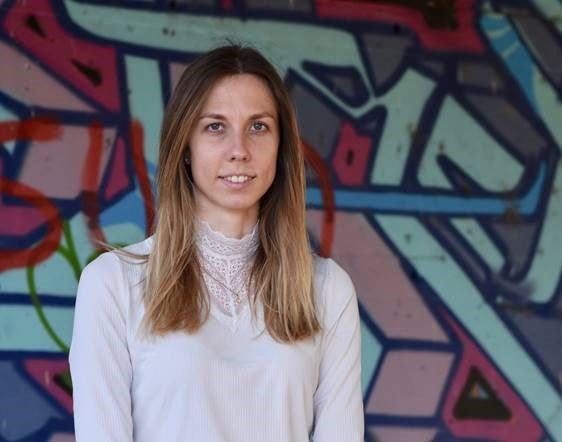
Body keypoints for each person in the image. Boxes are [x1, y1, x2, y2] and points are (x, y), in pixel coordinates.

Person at [69, 44, 364, 442]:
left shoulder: (328, 290)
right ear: (185, 147)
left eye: (258, 127)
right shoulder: (112, 284)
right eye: (215, 127)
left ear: (281, 146)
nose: (239, 150)